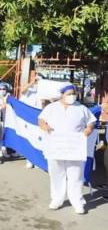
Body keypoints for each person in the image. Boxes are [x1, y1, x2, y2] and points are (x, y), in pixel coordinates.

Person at [38, 83, 96, 214]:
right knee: (56, 174)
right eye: (69, 94)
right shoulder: (51, 107)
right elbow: (41, 120)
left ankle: (77, 202)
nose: (72, 96)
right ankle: (57, 199)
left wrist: (89, 129)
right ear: (62, 95)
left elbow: (91, 122)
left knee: (75, 175)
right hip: (56, 146)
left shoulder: (81, 108)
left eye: (74, 94)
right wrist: (44, 126)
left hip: (74, 147)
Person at [19, 73, 43, 168]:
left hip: (38, 118)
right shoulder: (29, 89)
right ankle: (29, 160)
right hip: (28, 118)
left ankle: (37, 160)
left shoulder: (43, 90)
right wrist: (32, 82)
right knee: (29, 139)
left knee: (38, 139)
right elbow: (22, 90)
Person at [0, 82, 13, 158]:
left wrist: (7, 98)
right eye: (0, 89)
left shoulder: (9, 97)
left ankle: (4, 151)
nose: (2, 90)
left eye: (4, 89)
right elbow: (1, 107)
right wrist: (4, 99)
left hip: (6, 120)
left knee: (4, 136)